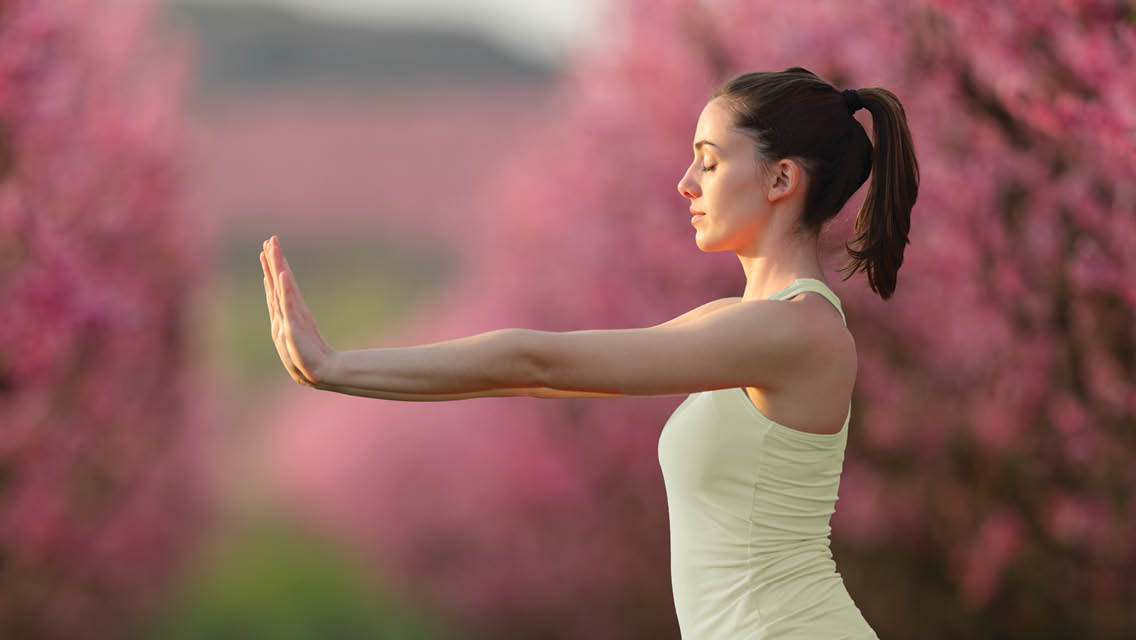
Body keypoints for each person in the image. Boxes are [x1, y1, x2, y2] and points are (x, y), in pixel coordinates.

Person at [260, 66, 918, 638]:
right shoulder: (742, 327)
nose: (687, 183)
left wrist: (337, 366)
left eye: (710, 161)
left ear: (780, 179)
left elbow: (536, 362)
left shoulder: (791, 332)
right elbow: (537, 381)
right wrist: (339, 373)